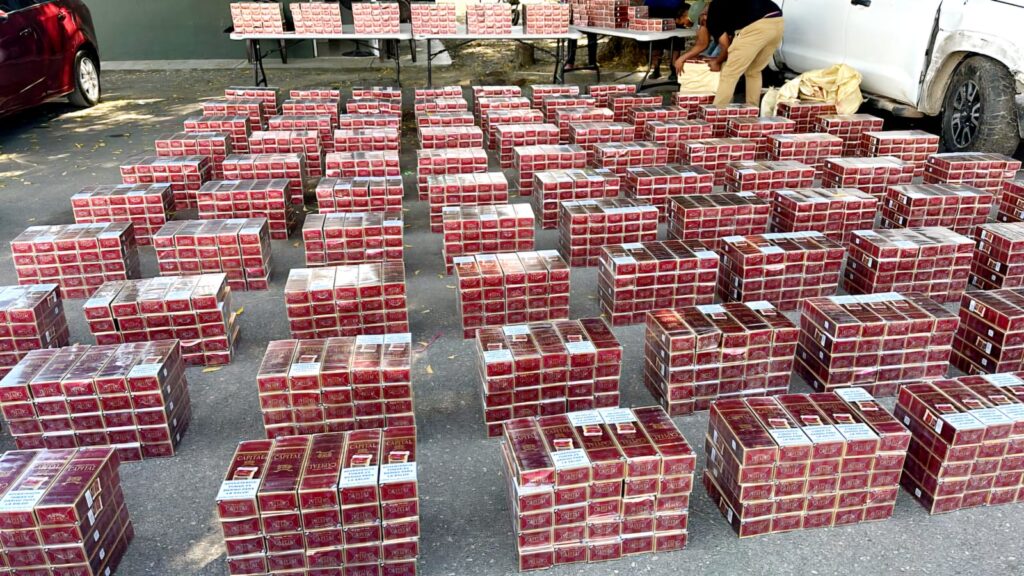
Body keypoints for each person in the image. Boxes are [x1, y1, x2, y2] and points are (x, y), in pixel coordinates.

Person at [702, 0, 784, 107]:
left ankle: (717, 110)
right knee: (754, 71)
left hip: (757, 26)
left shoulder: (713, 17)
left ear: (704, 16)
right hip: (777, 21)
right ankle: (752, 109)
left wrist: (717, 62)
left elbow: (725, 46)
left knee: (730, 73)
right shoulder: (729, 8)